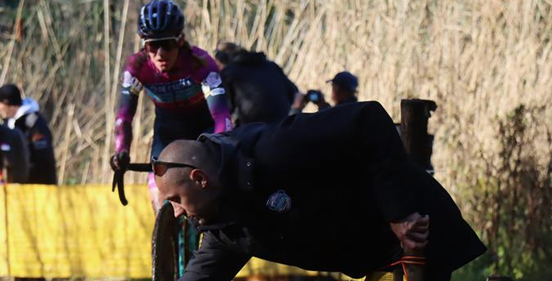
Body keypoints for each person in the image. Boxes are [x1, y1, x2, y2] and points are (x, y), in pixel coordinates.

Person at [153, 101, 486, 281]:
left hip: (417, 235)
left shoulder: (274, 148)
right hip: (373, 260)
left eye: (176, 201)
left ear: (199, 179)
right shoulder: (225, 228)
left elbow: (367, 119)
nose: (178, 213)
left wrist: (398, 213)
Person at [111, 0, 232, 211]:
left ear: (180, 41)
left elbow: (221, 115)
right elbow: (124, 117)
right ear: (144, 45)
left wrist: (221, 146)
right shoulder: (137, 67)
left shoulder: (200, 64)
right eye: (152, 45)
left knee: (213, 186)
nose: (160, 53)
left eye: (166, 44)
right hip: (167, 129)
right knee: (158, 194)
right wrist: (121, 151)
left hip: (203, 126)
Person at [214, 42, 303, 125]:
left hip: (252, 131)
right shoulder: (272, 66)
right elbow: (297, 95)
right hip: (282, 126)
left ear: (222, 60)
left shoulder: (228, 73)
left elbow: (224, 110)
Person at [0, 84, 57, 185]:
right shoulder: (8, 124)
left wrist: (22, 177)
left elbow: (42, 157)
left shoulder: (34, 123)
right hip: (17, 187)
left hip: (38, 187)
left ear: (9, 104)